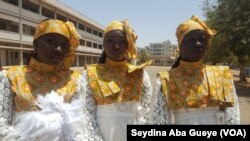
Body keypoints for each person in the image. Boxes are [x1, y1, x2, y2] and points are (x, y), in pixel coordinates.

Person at [0, 19, 102, 140]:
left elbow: (82, 124)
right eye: (51, 41)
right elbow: (2, 123)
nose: (58, 48)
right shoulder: (11, 77)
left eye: (64, 45)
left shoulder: (76, 80)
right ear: (35, 44)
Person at [149, 15, 240, 125]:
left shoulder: (221, 74)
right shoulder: (166, 79)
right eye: (191, 40)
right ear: (180, 45)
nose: (198, 44)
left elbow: (232, 117)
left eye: (202, 39)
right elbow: (159, 121)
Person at [81, 20, 153, 141]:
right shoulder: (89, 74)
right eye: (110, 40)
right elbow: (86, 114)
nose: (116, 46)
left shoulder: (140, 74)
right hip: (101, 136)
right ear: (103, 44)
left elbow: (147, 111)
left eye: (122, 41)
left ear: (129, 45)